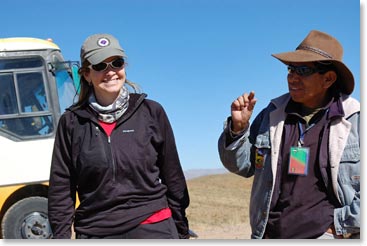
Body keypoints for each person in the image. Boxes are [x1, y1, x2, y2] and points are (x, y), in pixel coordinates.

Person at [218, 30, 360, 239]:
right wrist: (238, 129)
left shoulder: (354, 120)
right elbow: (242, 165)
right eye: (290, 69)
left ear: (328, 79)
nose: (292, 77)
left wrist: (339, 226)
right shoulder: (273, 114)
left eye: (302, 70)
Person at [48, 33, 190, 239]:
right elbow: (61, 188)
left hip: (153, 224)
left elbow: (173, 175)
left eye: (116, 62)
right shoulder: (70, 123)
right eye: (100, 66)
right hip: (95, 230)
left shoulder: (151, 112)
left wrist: (181, 230)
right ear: (86, 74)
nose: (110, 72)